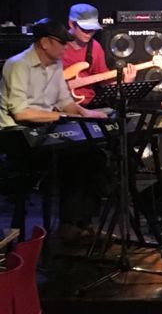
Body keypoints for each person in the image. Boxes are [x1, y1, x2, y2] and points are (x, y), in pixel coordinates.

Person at [0, 18, 108, 242]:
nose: (66, 48)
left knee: (95, 156)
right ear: (45, 42)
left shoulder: (55, 64)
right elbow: (20, 113)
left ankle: (79, 223)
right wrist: (61, 116)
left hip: (43, 128)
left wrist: (86, 113)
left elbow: (64, 101)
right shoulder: (17, 65)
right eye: (62, 43)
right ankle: (68, 226)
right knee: (73, 160)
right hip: (16, 135)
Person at [62, 3, 136, 106]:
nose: (89, 33)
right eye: (85, 29)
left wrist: (126, 82)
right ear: (71, 24)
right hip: (59, 106)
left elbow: (105, 82)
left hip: (88, 105)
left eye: (93, 29)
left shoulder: (95, 47)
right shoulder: (56, 44)